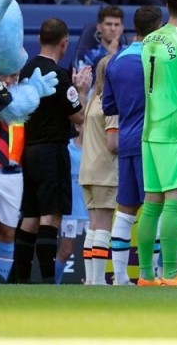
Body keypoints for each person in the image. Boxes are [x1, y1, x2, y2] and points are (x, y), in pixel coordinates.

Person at [13, 19, 91, 285]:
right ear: (64, 43)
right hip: (52, 150)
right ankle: (47, 280)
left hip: (30, 150)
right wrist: (81, 90)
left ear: (39, 40)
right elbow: (79, 117)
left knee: (31, 215)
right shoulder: (58, 75)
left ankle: (21, 278)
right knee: (51, 214)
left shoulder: (25, 72)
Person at [136, 0, 177, 287]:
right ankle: (172, 273)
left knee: (152, 202)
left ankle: (147, 275)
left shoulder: (148, 39)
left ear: (167, 5)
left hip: (150, 130)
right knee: (176, 202)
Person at [103, 5, 163, 285]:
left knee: (126, 208)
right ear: (159, 27)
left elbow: (109, 106)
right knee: (155, 207)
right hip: (152, 141)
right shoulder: (159, 58)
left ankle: (120, 278)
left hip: (127, 139)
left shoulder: (115, 61)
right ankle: (153, 273)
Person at [77, 54, 117, 285]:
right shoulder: (111, 105)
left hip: (87, 171)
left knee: (93, 225)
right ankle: (99, 279)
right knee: (103, 225)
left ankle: (92, 280)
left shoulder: (93, 100)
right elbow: (113, 144)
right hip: (105, 171)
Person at [56, 129, 88, 284]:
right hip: (71, 209)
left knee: (93, 251)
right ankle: (53, 285)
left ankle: (94, 282)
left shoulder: (97, 148)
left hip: (92, 210)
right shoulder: (67, 148)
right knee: (66, 250)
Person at [74, 5, 126, 74]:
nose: (113, 29)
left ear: (122, 28)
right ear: (99, 27)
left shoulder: (130, 53)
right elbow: (86, 81)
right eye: (108, 24)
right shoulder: (88, 55)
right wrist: (109, 56)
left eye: (116, 25)